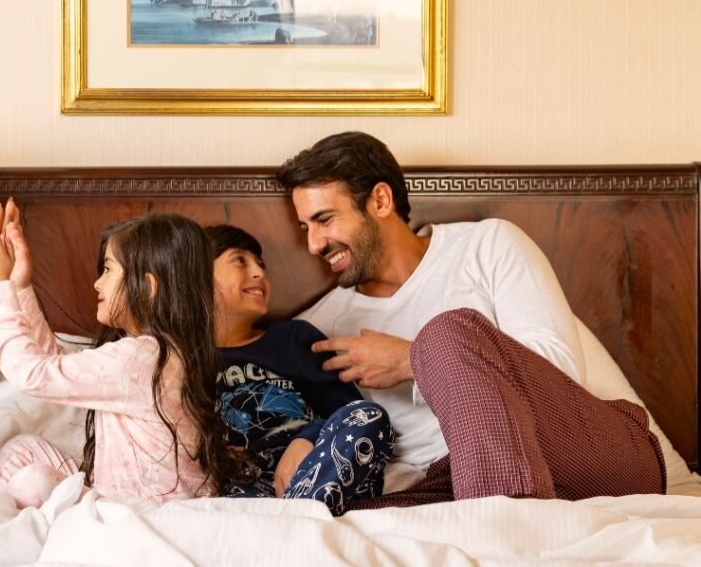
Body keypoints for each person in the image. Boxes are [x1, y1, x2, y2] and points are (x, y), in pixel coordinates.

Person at [275, 131, 666, 508]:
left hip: (581, 455)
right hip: (448, 485)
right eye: (305, 228)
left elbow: (560, 373)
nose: (314, 244)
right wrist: (305, 437)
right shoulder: (318, 328)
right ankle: (503, 520)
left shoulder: (487, 246)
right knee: (351, 519)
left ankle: (502, 517)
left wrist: (412, 359)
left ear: (380, 200)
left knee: (446, 333)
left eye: (325, 219)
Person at [0, 211, 245, 507]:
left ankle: (57, 525)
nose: (97, 284)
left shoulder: (143, 358)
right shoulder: (161, 352)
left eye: (108, 270)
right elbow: (54, 366)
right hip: (127, 501)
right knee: (20, 451)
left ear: (147, 287)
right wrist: (20, 286)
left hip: (139, 514)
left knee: (30, 481)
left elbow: (31, 374)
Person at [206, 225, 393, 516]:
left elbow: (345, 409)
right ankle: (300, 521)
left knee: (370, 415)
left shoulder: (292, 338)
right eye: (240, 260)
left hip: (322, 466)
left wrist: (307, 438)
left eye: (261, 265)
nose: (259, 272)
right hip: (247, 482)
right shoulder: (183, 360)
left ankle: (297, 517)